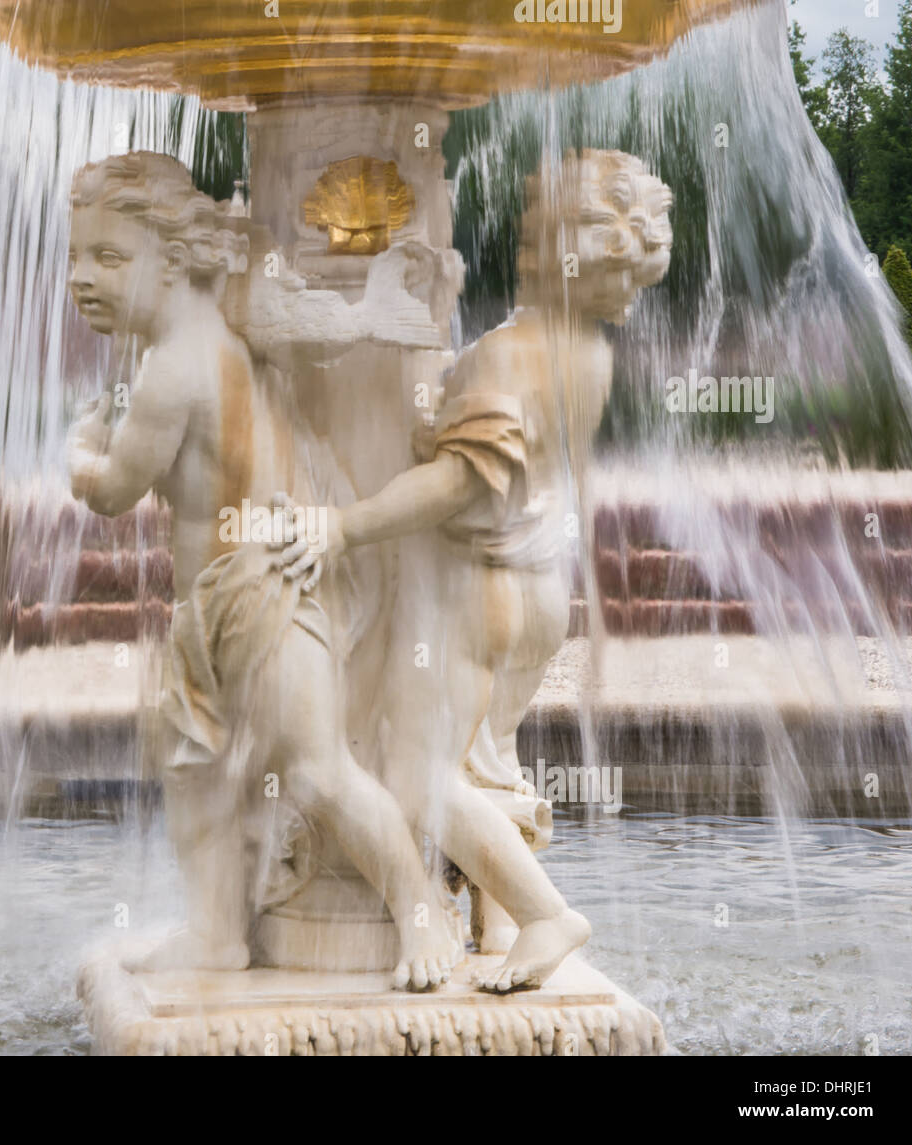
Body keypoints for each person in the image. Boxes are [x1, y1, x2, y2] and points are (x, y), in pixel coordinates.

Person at [275, 150, 673, 991]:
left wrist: (343, 525)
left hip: (473, 591)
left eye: (534, 225)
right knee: (480, 761)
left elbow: (460, 481)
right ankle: (495, 923)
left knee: (414, 777)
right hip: (536, 593)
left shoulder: (506, 355)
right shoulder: (587, 353)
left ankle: (543, 914)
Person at [64, 152, 453, 990]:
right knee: (195, 770)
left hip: (260, 593)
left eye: (107, 258)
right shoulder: (224, 333)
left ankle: (421, 916)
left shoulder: (171, 368)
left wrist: (80, 451)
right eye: (76, 257)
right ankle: (214, 933)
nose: (80, 279)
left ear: (171, 263)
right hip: (226, 604)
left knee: (316, 769)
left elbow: (114, 490)